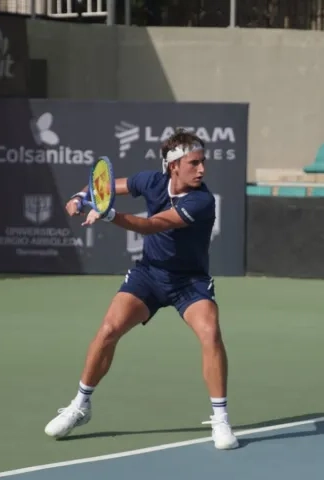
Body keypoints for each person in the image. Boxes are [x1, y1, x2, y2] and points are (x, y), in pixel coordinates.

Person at [43, 130, 239, 450]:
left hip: (189, 282)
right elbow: (101, 187)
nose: (202, 169)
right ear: (174, 165)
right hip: (149, 275)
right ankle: (80, 405)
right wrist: (81, 198)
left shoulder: (202, 200)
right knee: (108, 330)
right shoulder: (150, 180)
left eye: (203, 162)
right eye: (194, 163)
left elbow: (153, 225)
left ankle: (221, 420)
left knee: (210, 333)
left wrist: (110, 214)